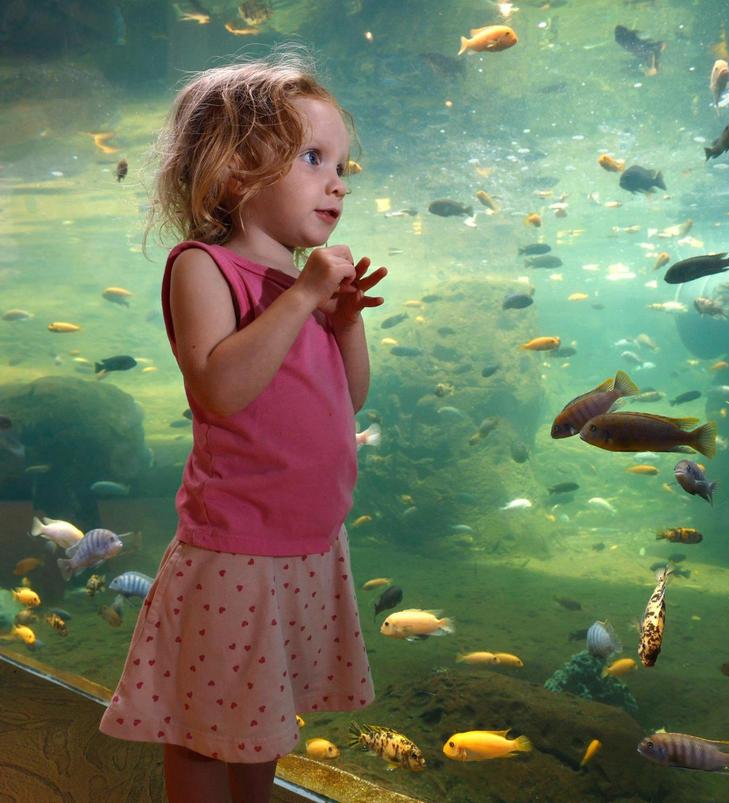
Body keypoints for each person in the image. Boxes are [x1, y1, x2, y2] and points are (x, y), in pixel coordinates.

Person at [99, 48, 385, 803]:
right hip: (237, 551)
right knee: (200, 724)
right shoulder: (205, 266)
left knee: (265, 715)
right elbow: (220, 389)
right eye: (314, 158)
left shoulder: (301, 279)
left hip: (308, 545)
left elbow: (348, 400)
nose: (337, 181)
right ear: (234, 171)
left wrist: (345, 321)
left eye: (343, 166)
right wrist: (301, 303)